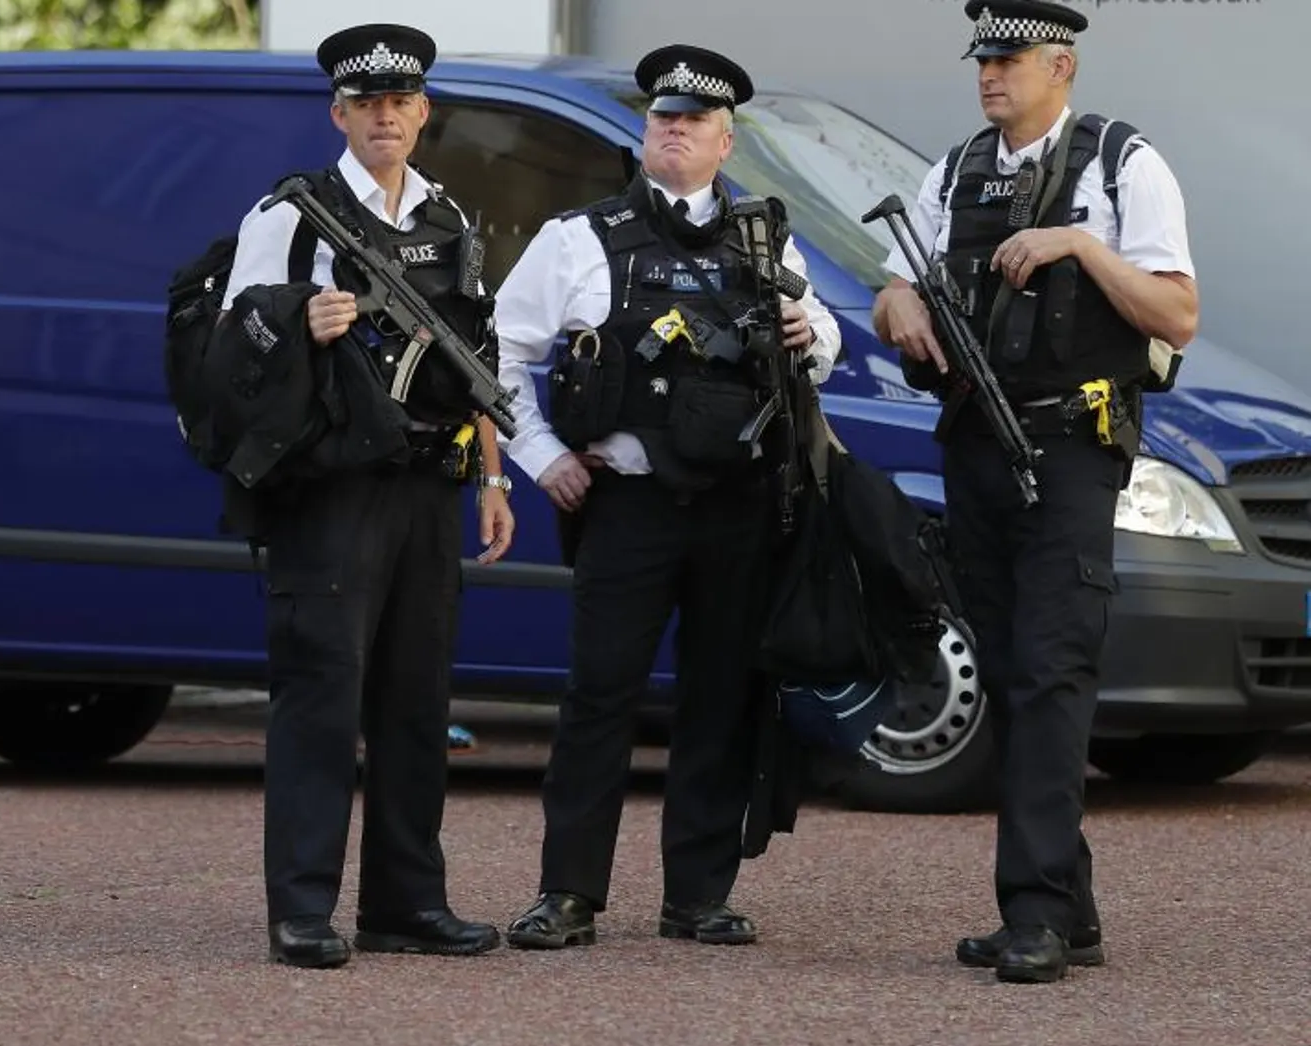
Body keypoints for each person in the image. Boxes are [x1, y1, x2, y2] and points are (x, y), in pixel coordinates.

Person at [871, 0, 1197, 984]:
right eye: (983, 59)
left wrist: (1079, 247)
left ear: (1060, 65)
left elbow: (1177, 315)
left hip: (1070, 449)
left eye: (1009, 60)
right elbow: (890, 285)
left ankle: (1034, 911)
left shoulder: (1121, 166)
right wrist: (902, 308)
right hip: (973, 444)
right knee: (1012, 667)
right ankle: (1068, 906)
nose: (989, 75)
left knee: (1052, 667)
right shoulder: (956, 169)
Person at [494, 44, 841, 950]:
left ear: (726, 140)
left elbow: (826, 338)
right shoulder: (580, 238)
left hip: (738, 506)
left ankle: (697, 895)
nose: (674, 132)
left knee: (722, 699)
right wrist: (541, 457)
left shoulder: (765, 240)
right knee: (598, 699)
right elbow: (502, 354)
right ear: (645, 133)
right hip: (626, 504)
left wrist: (814, 333)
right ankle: (568, 893)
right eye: (661, 119)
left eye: (692, 123)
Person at [215, 21, 514, 969]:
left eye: (401, 103)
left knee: (416, 700)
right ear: (338, 112)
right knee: (319, 698)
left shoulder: (449, 219)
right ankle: (302, 908)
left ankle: (406, 901)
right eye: (367, 103)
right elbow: (230, 346)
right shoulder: (291, 216)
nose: (385, 117)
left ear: (423, 113)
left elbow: (479, 358)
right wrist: (296, 318)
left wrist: (493, 473)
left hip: (429, 481)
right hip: (331, 490)